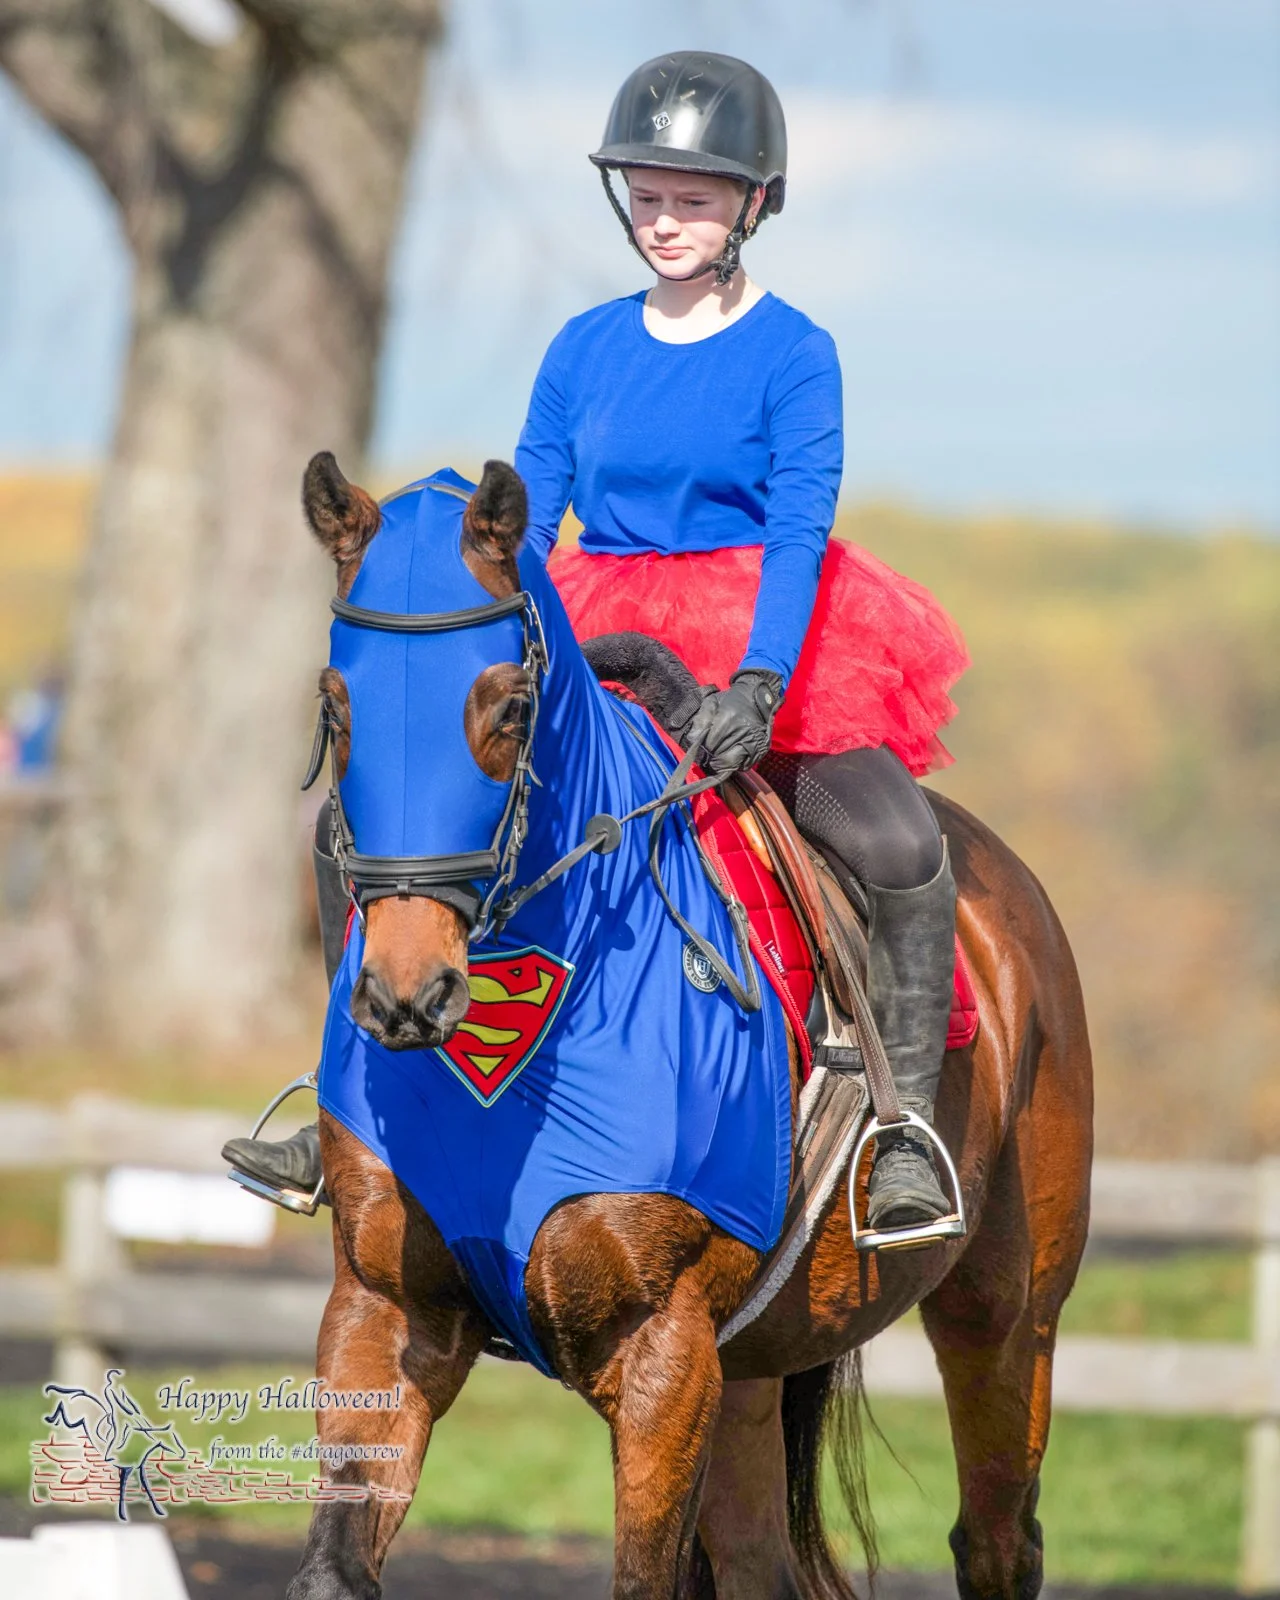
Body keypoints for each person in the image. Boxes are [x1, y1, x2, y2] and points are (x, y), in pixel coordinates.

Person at [226, 52, 969, 1240]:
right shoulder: (581, 346)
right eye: (648, 196)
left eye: (694, 199)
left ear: (752, 205)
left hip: (758, 622)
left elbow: (796, 529)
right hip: (589, 623)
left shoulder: (794, 352)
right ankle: (342, 1103)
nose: (665, 221)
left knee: (894, 838)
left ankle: (903, 1135)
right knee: (353, 826)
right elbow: (526, 516)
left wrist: (761, 683)